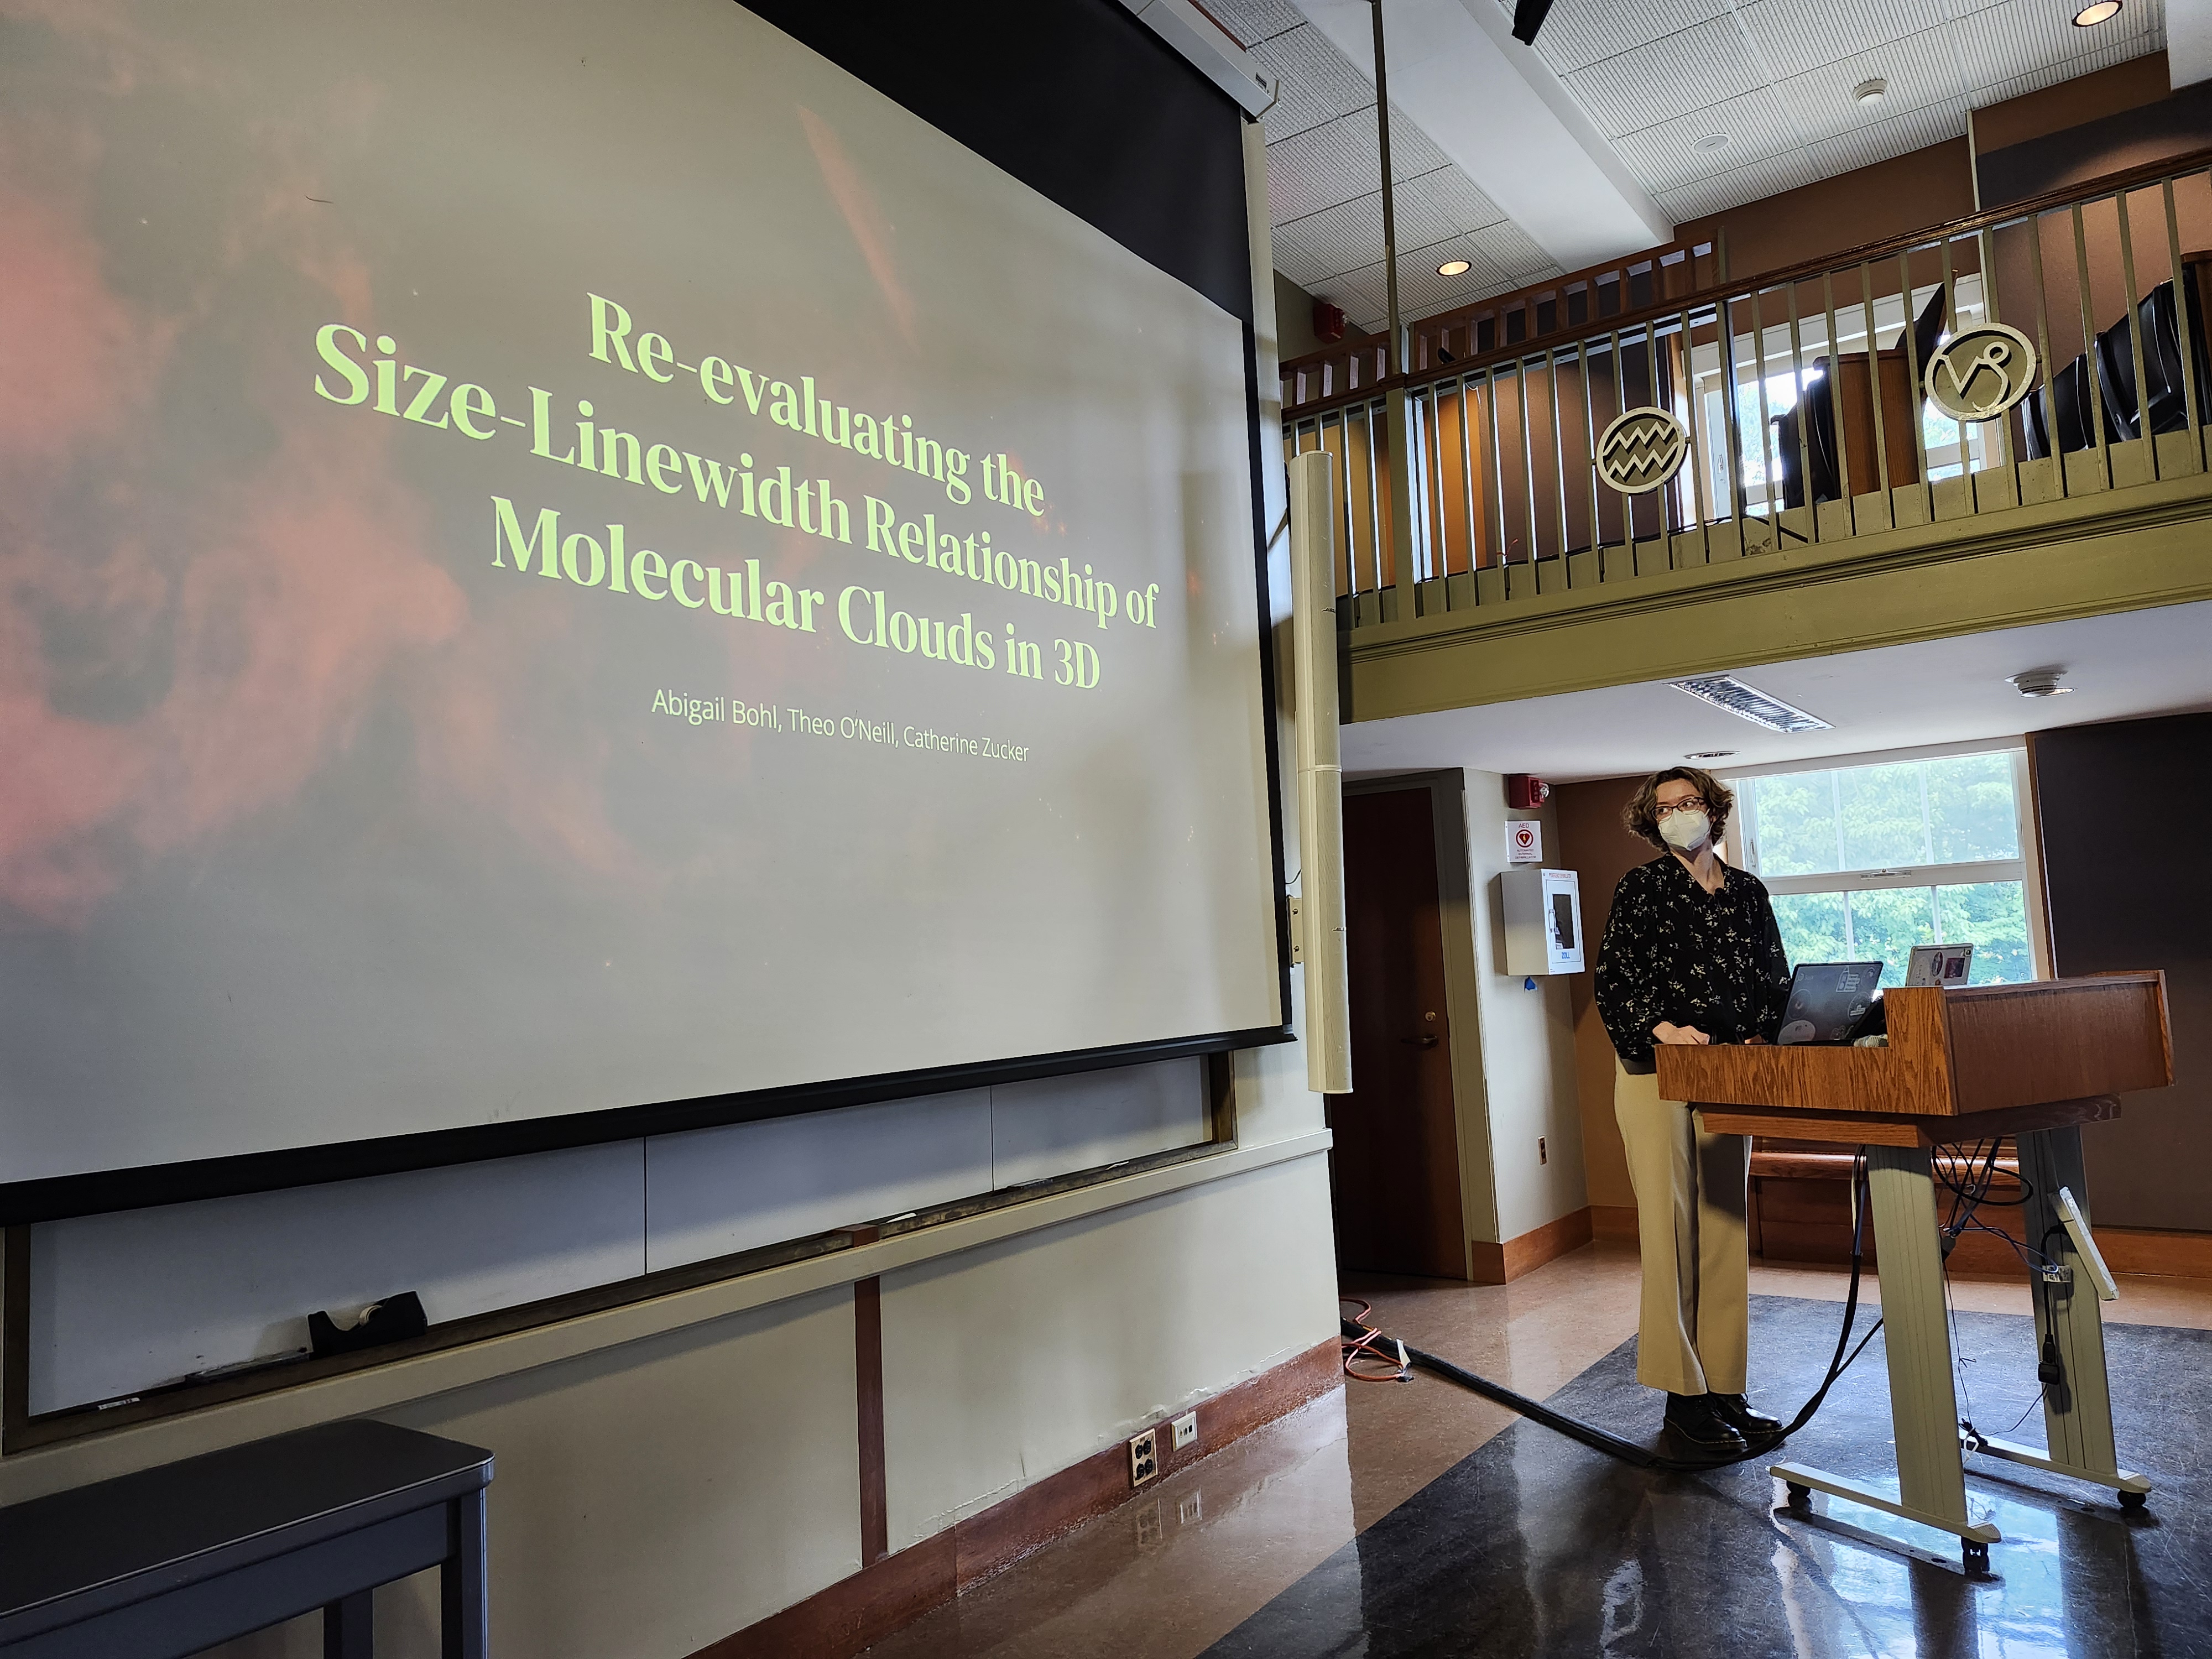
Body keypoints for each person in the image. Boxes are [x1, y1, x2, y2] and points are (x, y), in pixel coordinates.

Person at [1594, 765, 1792, 1454]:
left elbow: (1772, 979)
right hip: (1656, 1074)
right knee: (1672, 1231)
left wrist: (1770, 1033)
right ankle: (1684, 1397)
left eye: (1689, 802)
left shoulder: (1747, 892)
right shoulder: (1642, 888)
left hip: (1727, 1074)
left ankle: (1725, 1386)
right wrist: (1661, 1027)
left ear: (1713, 809)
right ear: (1651, 822)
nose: (1678, 814)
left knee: (1725, 1229)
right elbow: (1614, 979)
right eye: (1664, 808)